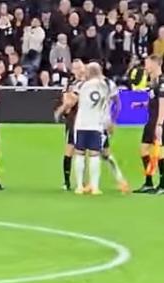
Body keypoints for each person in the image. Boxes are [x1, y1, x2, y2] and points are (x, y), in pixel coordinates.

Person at [69, 62, 111, 195]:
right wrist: (107, 122)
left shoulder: (81, 85)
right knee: (94, 155)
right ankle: (95, 186)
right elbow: (106, 106)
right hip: (96, 124)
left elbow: (71, 100)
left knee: (80, 154)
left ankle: (79, 186)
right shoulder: (104, 86)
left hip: (81, 124)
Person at [134, 55, 164, 194]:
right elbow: (153, 101)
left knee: (160, 152)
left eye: (147, 63)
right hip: (150, 120)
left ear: (155, 64)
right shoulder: (153, 82)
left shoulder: (162, 82)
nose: (145, 66)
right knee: (144, 150)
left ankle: (162, 185)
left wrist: (160, 124)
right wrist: (141, 104)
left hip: (157, 121)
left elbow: (163, 105)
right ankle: (149, 182)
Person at [54, 58, 85, 191]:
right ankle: (67, 181)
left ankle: (82, 182)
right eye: (75, 68)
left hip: (85, 119)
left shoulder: (86, 83)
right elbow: (66, 100)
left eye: (80, 67)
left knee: (85, 151)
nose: (78, 70)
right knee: (70, 149)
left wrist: (59, 111)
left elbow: (70, 101)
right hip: (73, 120)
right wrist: (65, 106)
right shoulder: (70, 84)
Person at [99, 76, 128, 193]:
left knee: (102, 153)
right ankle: (88, 183)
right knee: (94, 152)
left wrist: (113, 120)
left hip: (102, 124)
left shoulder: (108, 83)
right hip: (88, 123)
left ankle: (121, 180)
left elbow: (117, 102)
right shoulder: (87, 82)